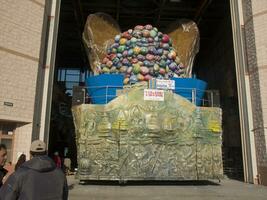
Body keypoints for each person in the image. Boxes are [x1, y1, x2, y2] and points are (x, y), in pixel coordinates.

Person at [0, 140, 68, 200]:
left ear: (30, 153)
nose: (6, 157)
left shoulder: (19, 174)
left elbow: (6, 197)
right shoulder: (60, 174)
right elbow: (64, 196)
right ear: (46, 152)